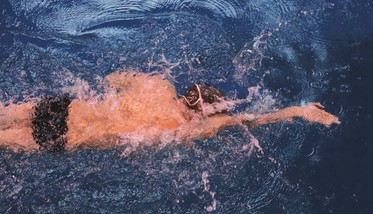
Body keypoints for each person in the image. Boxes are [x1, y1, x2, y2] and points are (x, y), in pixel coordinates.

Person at [0, 71, 340, 152]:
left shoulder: (160, 83)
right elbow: (247, 120)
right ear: (202, 112)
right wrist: (297, 110)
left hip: (66, 106)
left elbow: (114, 78)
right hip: (67, 135)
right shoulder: (185, 127)